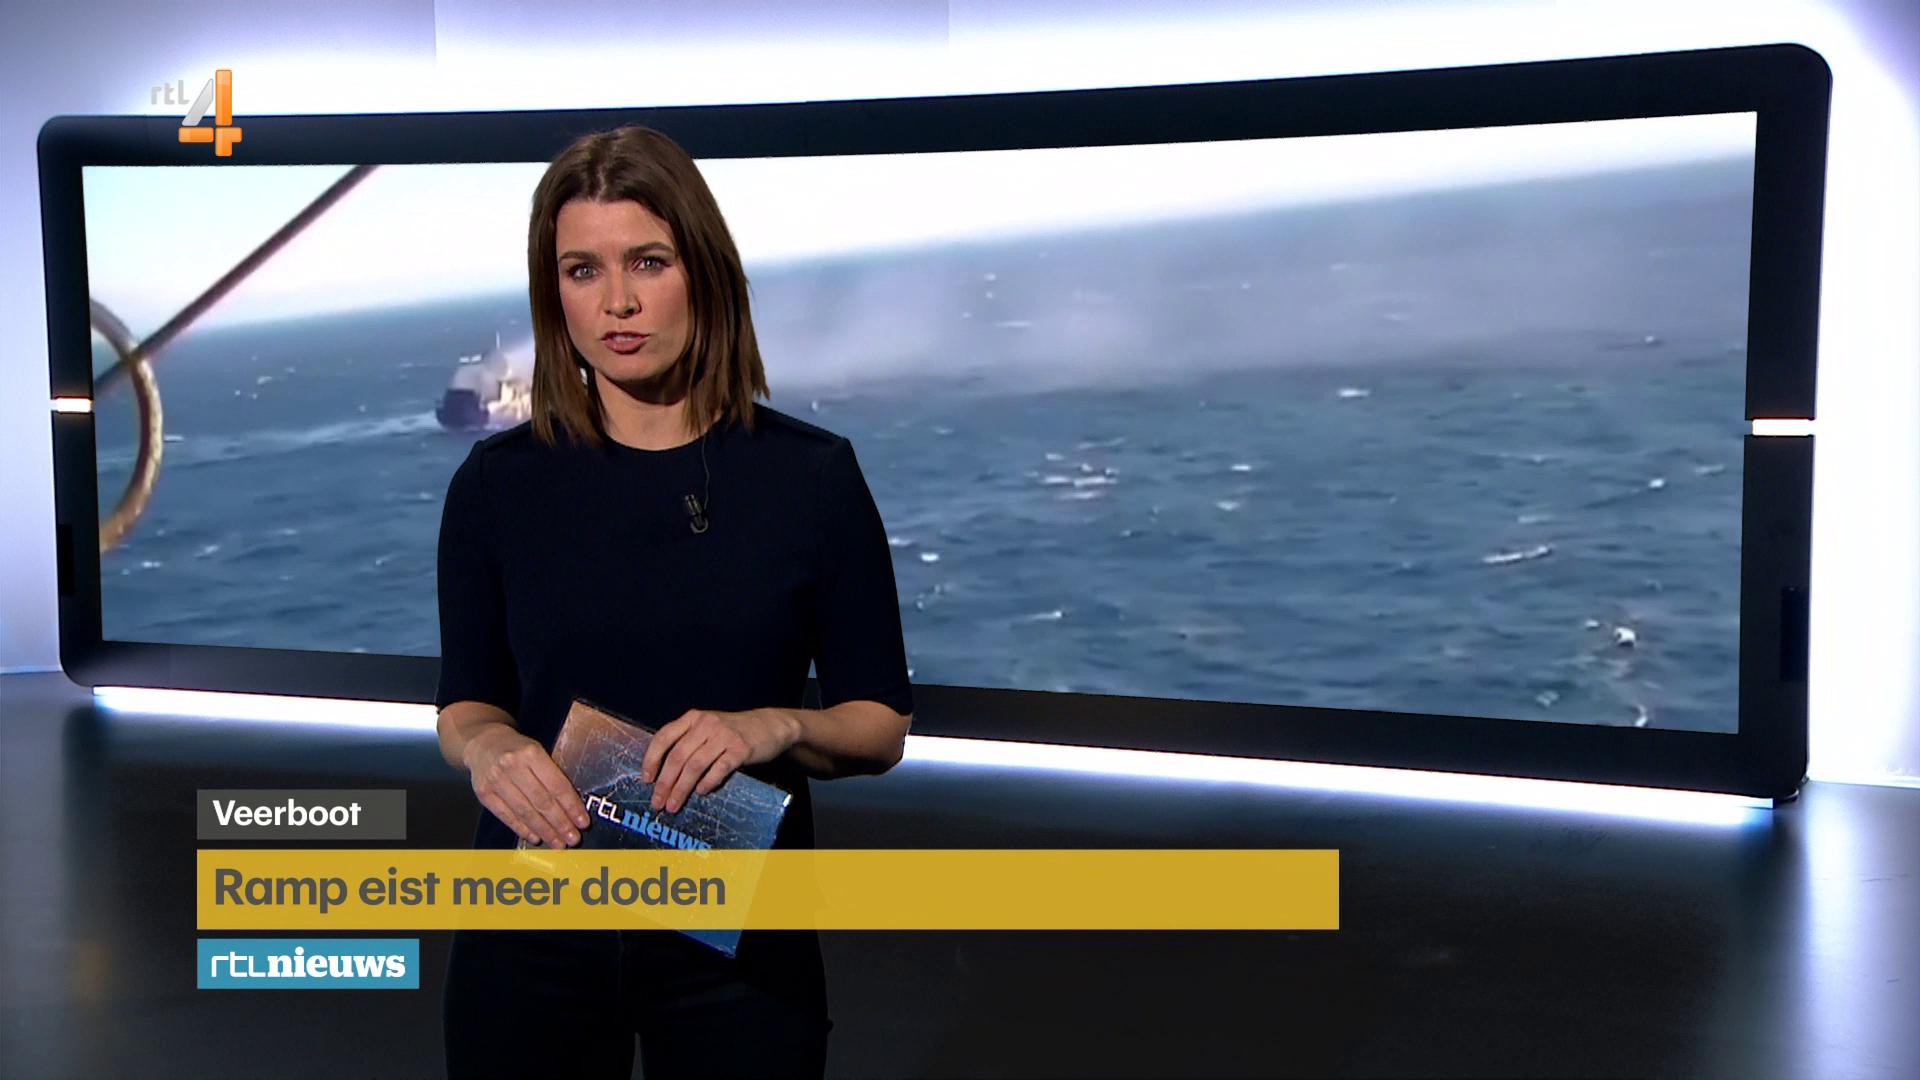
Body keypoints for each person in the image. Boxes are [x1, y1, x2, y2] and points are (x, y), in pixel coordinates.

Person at [432, 124, 915, 1079]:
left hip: (739, 944)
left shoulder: (811, 478)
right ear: (553, 293)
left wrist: (776, 726)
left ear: (703, 271)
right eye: (582, 270)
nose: (616, 301)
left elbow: (880, 724)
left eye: (647, 262)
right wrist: (489, 749)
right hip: (533, 928)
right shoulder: (497, 485)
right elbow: (467, 702)